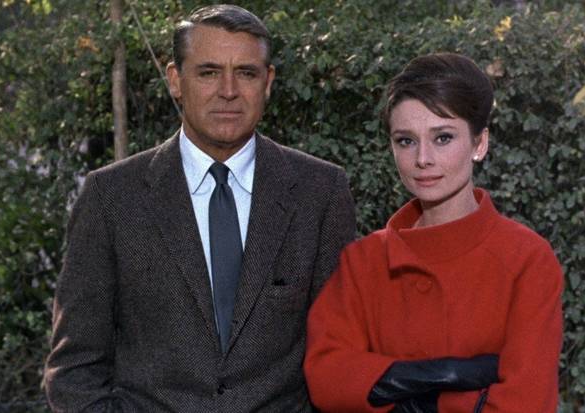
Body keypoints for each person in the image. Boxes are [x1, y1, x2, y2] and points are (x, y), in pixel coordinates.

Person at [44, 4, 356, 411]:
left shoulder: (320, 192)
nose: (228, 90)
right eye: (208, 72)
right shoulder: (111, 197)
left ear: (268, 82)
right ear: (176, 80)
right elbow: (75, 369)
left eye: (246, 73)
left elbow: (340, 355)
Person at [304, 52, 564, 412]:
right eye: (406, 140)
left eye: (442, 138)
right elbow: (326, 377)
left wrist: (395, 390)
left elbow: (527, 402)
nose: (422, 158)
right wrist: (446, 382)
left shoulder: (526, 260)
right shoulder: (363, 261)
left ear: (480, 143)